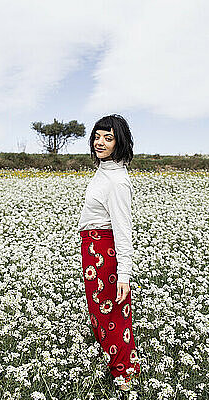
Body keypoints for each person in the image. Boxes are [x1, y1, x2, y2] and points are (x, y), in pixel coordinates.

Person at [77, 114, 141, 392]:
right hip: (93, 249)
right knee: (101, 313)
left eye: (108, 137)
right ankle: (122, 367)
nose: (100, 142)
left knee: (112, 314)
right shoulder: (106, 170)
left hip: (104, 250)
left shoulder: (118, 181)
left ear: (120, 142)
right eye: (97, 136)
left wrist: (124, 273)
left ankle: (124, 375)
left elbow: (123, 229)